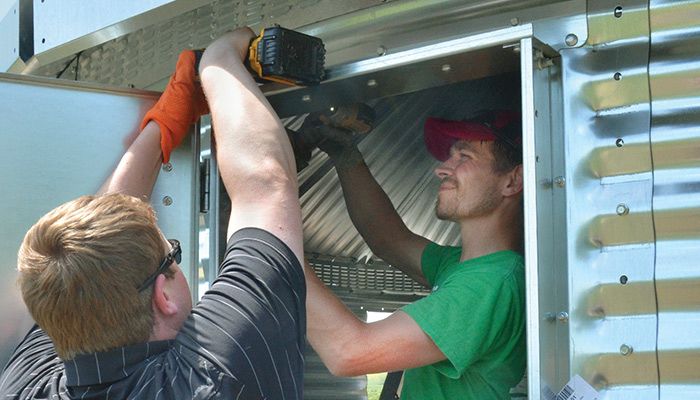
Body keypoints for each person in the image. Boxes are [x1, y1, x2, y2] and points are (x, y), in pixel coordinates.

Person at [0, 27, 305, 399]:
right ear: (164, 295)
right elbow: (266, 187)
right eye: (171, 252)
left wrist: (164, 126)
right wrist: (220, 58)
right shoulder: (213, 376)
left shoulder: (27, 386)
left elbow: (91, 250)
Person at [304, 110, 526, 399]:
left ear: (512, 181)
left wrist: (270, 229)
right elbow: (388, 238)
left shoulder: (490, 283)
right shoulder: (464, 267)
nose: (443, 168)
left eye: (464, 156)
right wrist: (343, 152)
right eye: (450, 156)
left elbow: (348, 351)